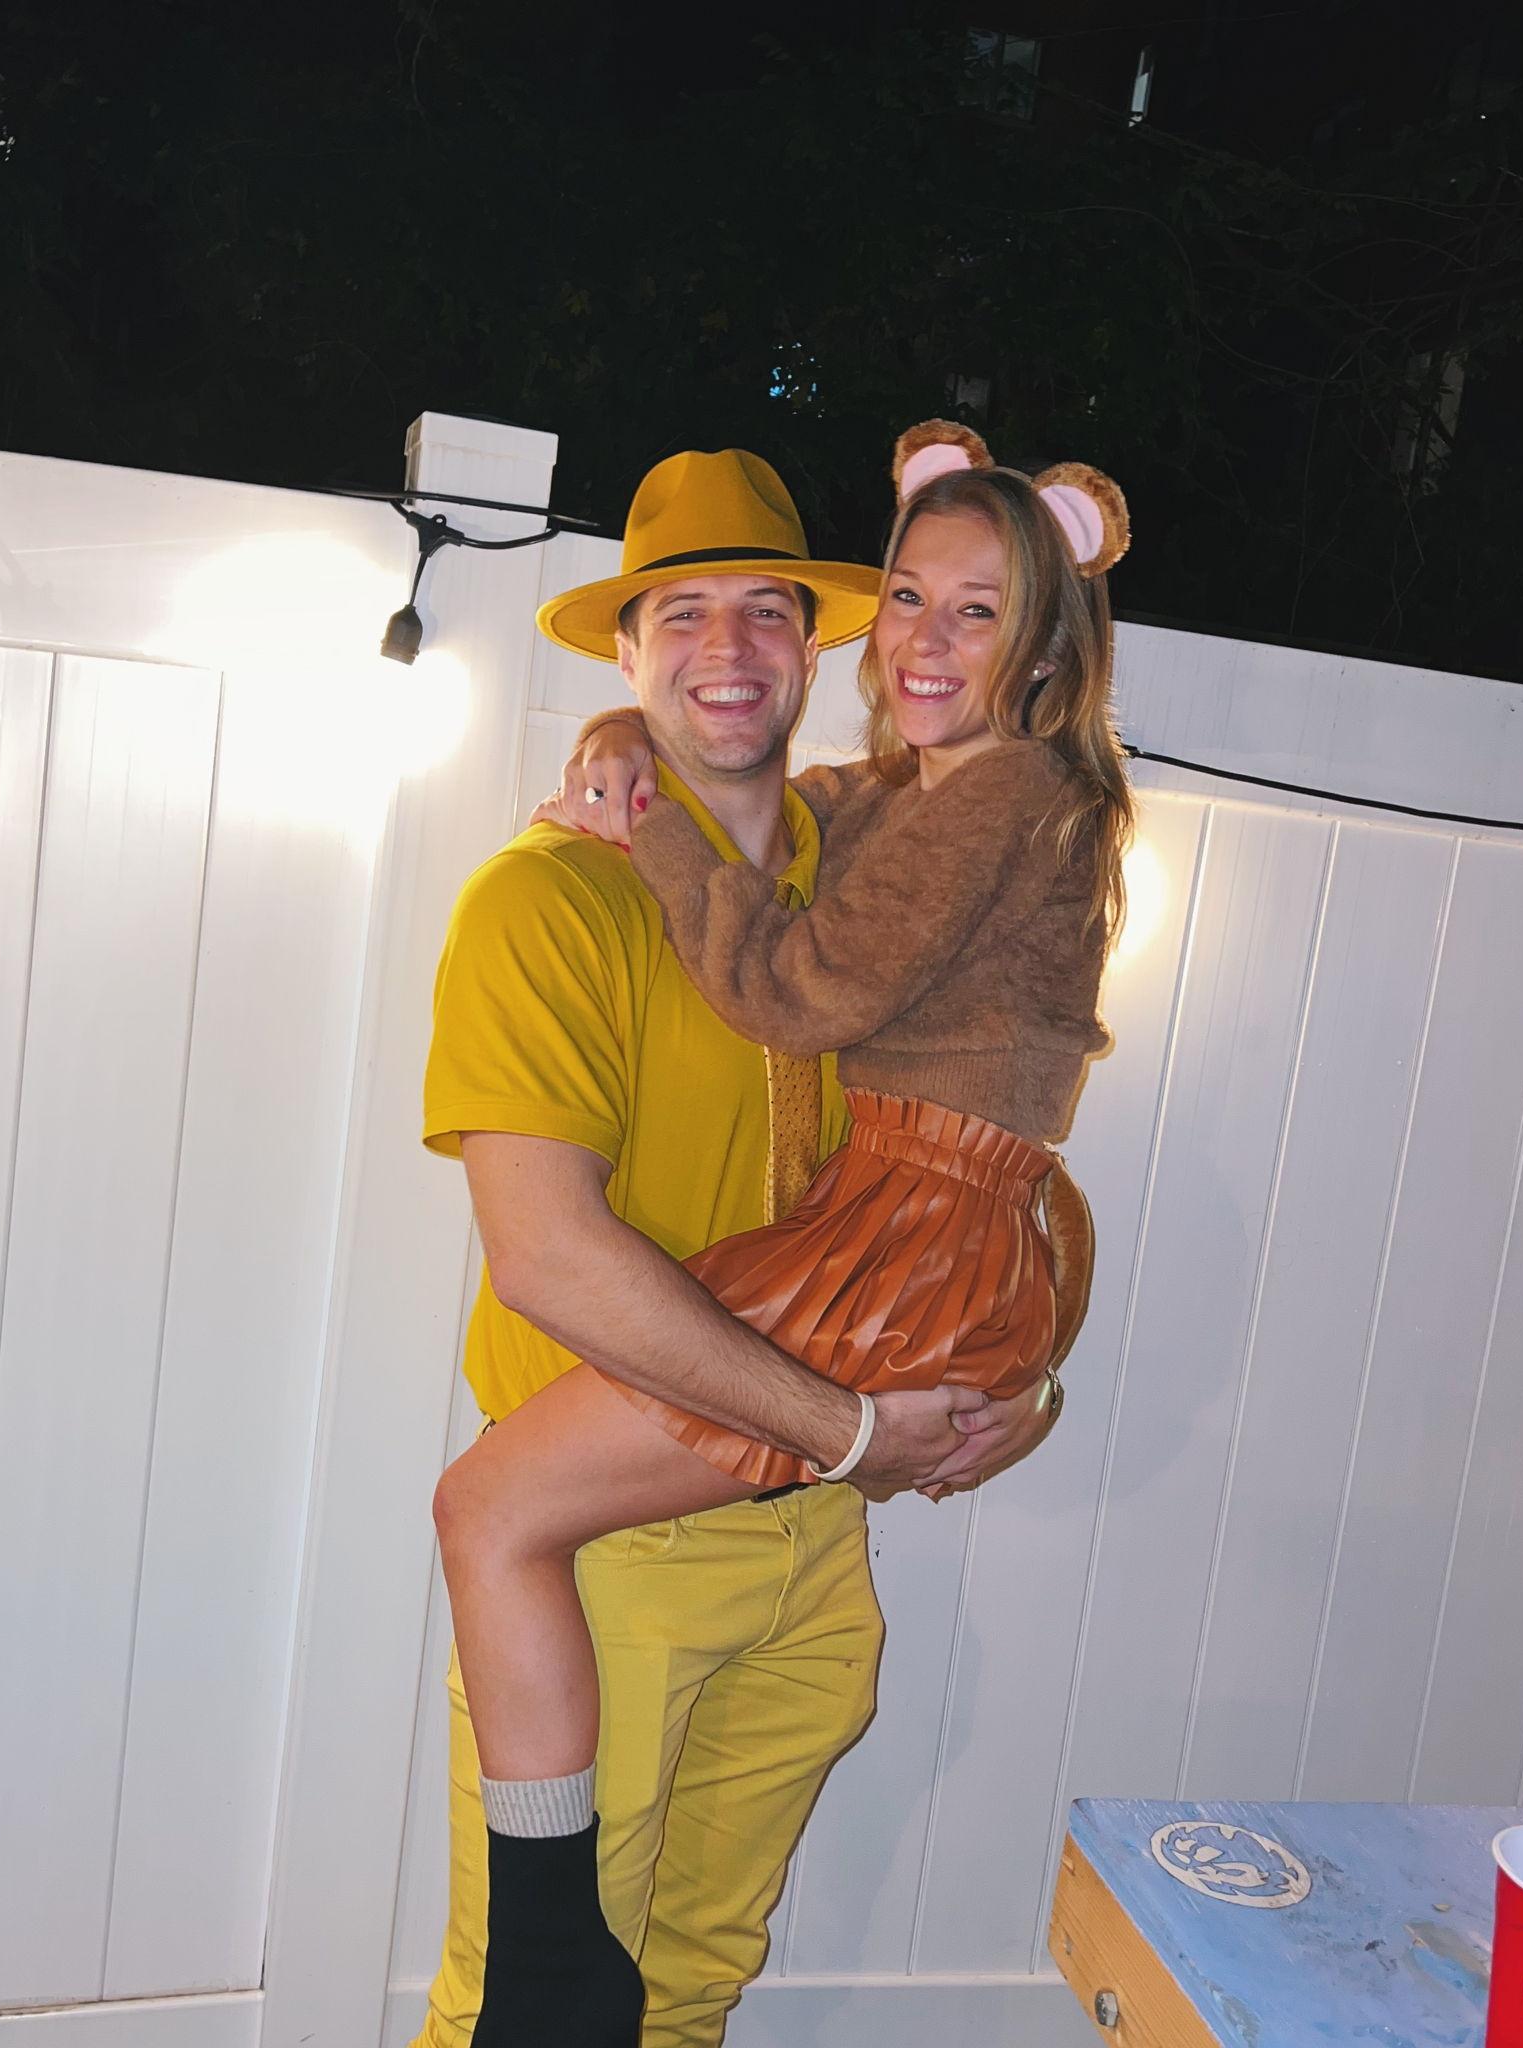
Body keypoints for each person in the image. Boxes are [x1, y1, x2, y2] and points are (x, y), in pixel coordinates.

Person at [430, 420, 1130, 2045]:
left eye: (766, 609)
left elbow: (991, 1162)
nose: (728, 647)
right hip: (621, 1560)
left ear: (817, 645)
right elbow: (547, 1257)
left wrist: (1008, 1385)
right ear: (624, 645)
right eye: (678, 615)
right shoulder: (549, 900)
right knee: (525, 2024)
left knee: (686, 2002)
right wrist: (854, 1430)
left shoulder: (866, 841)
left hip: (816, 1555)